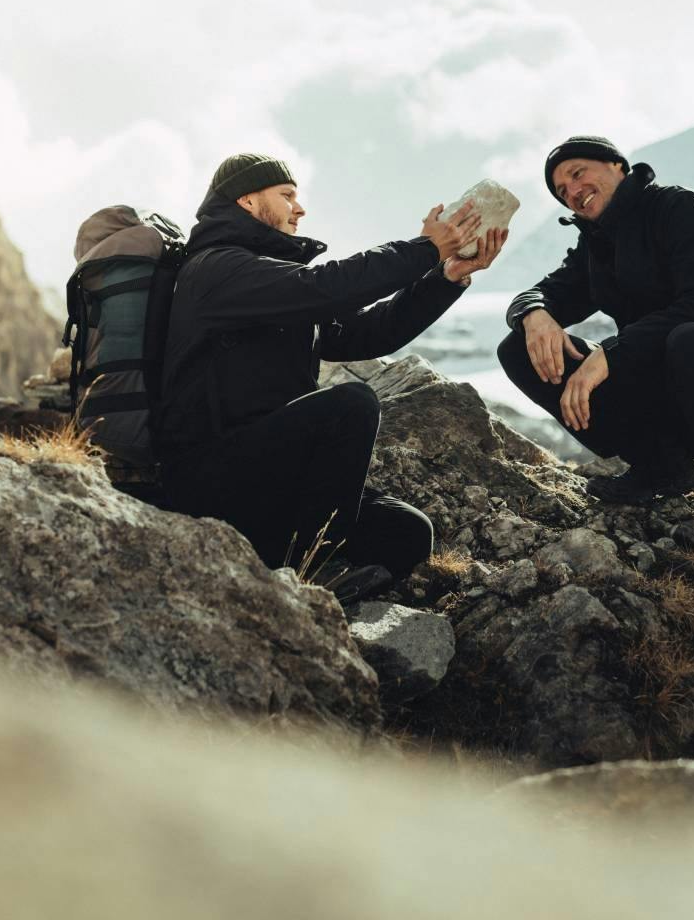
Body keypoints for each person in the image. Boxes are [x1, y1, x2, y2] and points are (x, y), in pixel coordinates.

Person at [158, 153, 506, 604]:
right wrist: (423, 249)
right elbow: (326, 286)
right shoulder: (217, 268)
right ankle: (315, 573)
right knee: (351, 405)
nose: (299, 210)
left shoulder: (268, 285)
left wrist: (446, 276)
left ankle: (288, 561)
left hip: (264, 476)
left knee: (408, 533)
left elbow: (371, 333)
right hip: (207, 476)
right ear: (245, 200)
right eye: (286, 196)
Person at [497, 136, 694, 564]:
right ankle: (662, 467)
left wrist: (608, 355)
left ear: (617, 166)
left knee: (690, 338)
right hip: (660, 394)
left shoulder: (679, 208)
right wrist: (533, 313)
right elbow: (543, 293)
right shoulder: (595, 245)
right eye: (562, 193)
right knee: (519, 348)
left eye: (577, 174)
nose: (573, 192)